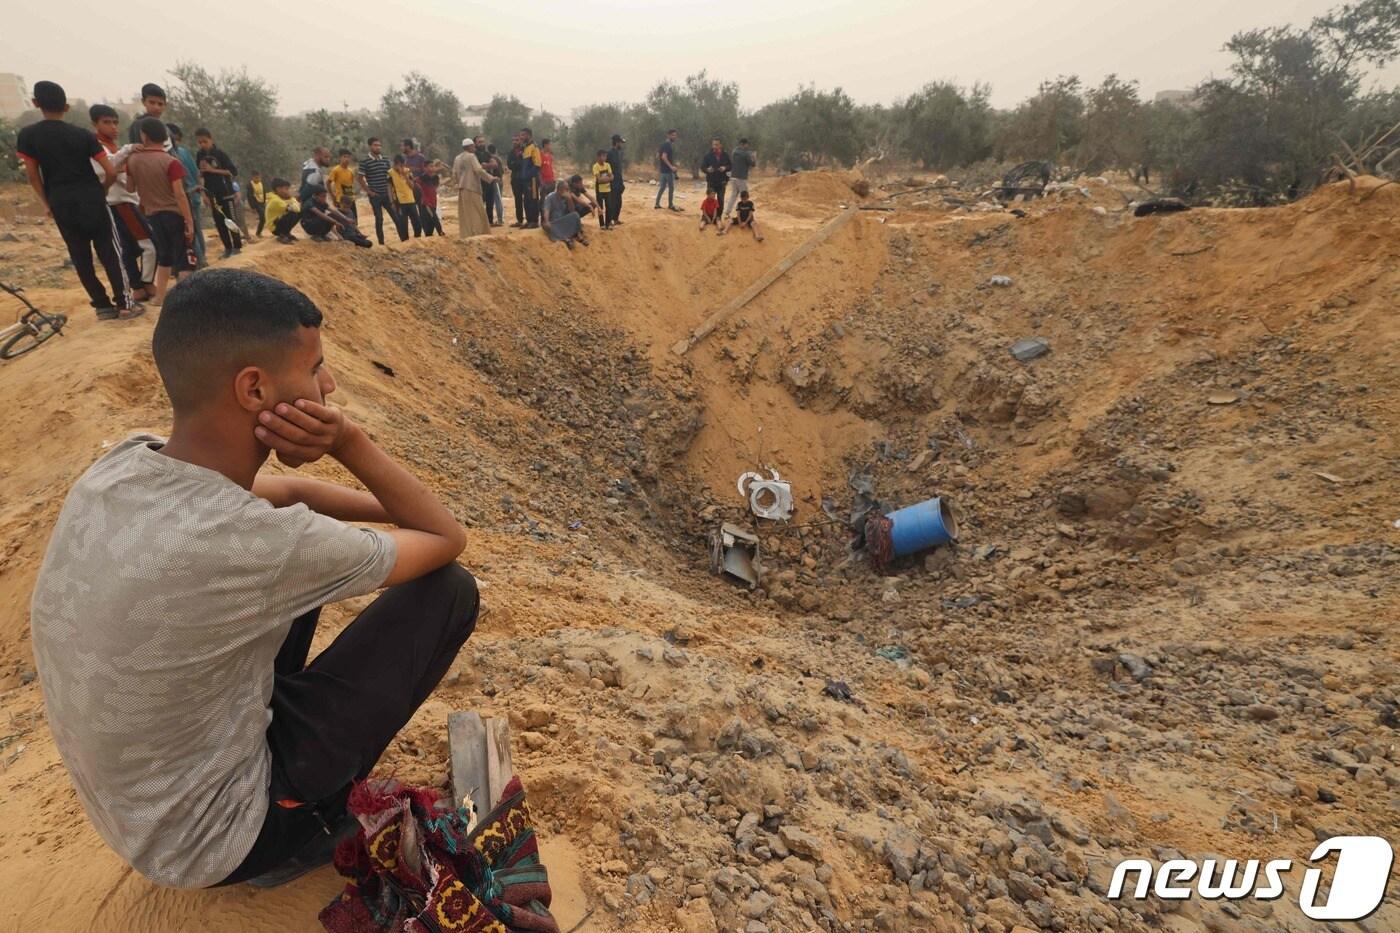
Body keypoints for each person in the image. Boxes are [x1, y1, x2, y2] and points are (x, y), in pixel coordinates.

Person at [30, 266, 476, 890]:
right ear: (255, 389)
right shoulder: (251, 543)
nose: (330, 383)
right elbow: (446, 540)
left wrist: (398, 505)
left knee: (298, 549)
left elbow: (290, 491)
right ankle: (308, 821)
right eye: (316, 366)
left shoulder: (127, 463)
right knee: (449, 590)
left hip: (137, 815)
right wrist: (348, 441)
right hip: (221, 843)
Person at [16, 81, 140, 320]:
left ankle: (102, 306)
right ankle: (125, 304)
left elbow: (33, 176)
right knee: (110, 252)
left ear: (36, 103)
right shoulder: (82, 135)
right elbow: (111, 171)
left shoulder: (28, 136)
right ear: (66, 107)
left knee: (80, 256)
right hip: (92, 198)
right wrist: (100, 191)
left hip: (61, 201)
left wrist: (47, 203)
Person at [90, 104, 156, 303]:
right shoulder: (97, 147)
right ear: (95, 124)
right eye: (107, 122)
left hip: (127, 201)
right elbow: (108, 169)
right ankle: (144, 284)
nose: (113, 127)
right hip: (120, 203)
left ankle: (139, 286)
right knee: (149, 245)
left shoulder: (112, 146)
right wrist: (128, 151)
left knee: (130, 248)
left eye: (115, 122)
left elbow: (118, 169)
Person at [125, 118, 194, 306]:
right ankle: (185, 299)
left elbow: (130, 188)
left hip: (152, 216)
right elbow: (179, 194)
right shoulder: (171, 162)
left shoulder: (133, 161)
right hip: (174, 213)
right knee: (183, 257)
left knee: (164, 255)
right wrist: (189, 221)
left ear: (143, 136)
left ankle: (160, 297)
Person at [194, 128, 244, 259]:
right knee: (219, 222)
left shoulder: (221, 154)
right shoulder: (199, 155)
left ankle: (237, 246)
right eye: (199, 142)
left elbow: (232, 172)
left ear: (211, 139)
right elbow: (200, 175)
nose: (202, 144)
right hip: (211, 194)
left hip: (226, 192)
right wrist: (203, 195)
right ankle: (227, 248)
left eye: (205, 141)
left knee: (230, 220)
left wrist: (213, 170)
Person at [169, 125, 207, 268]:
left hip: (187, 197)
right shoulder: (183, 153)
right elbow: (197, 173)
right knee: (196, 229)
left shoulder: (176, 156)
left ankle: (199, 262)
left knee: (191, 231)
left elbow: (196, 174)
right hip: (192, 195)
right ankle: (201, 260)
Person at [300, 184, 372, 247]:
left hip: (318, 222)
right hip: (309, 224)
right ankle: (316, 235)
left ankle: (322, 235)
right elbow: (321, 215)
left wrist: (346, 218)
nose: (324, 198)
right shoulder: (309, 203)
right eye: (323, 196)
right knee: (327, 217)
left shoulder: (322, 202)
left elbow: (333, 210)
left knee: (332, 216)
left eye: (325, 196)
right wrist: (335, 222)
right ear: (315, 196)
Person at [356, 138, 398, 246]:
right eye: (375, 145)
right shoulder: (365, 161)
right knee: (379, 219)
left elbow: (390, 176)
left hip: (386, 194)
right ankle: (381, 243)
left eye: (379, 145)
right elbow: (360, 178)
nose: (378, 147)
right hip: (375, 195)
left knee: (396, 217)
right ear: (370, 146)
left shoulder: (385, 159)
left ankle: (403, 238)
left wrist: (392, 193)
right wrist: (369, 192)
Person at [450, 138, 493, 239]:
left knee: (466, 214)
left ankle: (466, 234)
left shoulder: (457, 158)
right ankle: (479, 234)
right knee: (477, 212)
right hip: (472, 187)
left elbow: (454, 174)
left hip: (462, 188)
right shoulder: (471, 156)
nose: (475, 148)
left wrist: (458, 183)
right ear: (469, 147)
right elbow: (478, 170)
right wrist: (490, 178)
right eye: (473, 146)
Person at [541, 180, 587, 250]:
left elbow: (572, 211)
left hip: (563, 220)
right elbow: (546, 210)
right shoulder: (550, 197)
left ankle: (577, 235)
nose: (568, 190)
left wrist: (569, 199)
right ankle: (566, 239)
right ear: (560, 190)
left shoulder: (566, 197)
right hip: (555, 222)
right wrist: (547, 221)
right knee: (547, 226)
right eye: (567, 189)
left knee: (575, 215)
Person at [389, 155, 421, 240]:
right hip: (400, 202)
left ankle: (418, 238)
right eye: (399, 165)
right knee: (403, 223)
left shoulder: (408, 171)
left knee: (417, 222)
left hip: (411, 200)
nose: (401, 167)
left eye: (403, 165)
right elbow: (388, 187)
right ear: (395, 164)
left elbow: (412, 186)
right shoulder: (390, 173)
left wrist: (405, 175)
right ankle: (404, 240)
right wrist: (391, 201)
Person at [724, 138, 756, 221]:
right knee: (744, 195)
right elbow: (752, 164)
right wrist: (753, 157)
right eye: (746, 144)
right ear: (743, 144)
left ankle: (727, 212)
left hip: (733, 176)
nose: (747, 146)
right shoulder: (745, 154)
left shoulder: (734, 152)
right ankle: (745, 214)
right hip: (741, 178)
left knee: (733, 194)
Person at [701, 138, 732, 222]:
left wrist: (725, 167)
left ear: (720, 145)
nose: (714, 146)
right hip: (711, 181)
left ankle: (718, 216)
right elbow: (702, 167)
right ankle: (707, 216)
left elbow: (730, 166)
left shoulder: (725, 155)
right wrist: (707, 170)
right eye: (713, 144)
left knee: (721, 199)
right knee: (710, 199)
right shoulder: (708, 155)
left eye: (716, 144)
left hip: (722, 181)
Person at [264, 178, 301, 243]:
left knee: (297, 213)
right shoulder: (275, 200)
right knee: (293, 213)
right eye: (286, 189)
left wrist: (291, 199)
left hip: (278, 222)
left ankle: (286, 233)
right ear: (278, 189)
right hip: (275, 228)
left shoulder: (278, 197)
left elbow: (297, 208)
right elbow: (296, 209)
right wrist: (291, 198)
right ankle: (282, 235)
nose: (288, 191)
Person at [478, 138, 505, 227]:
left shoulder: (489, 156)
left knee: (493, 201)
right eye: (479, 142)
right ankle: (488, 221)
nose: (482, 144)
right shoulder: (474, 155)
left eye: (483, 142)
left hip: (493, 181)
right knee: (488, 201)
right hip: (486, 181)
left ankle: (493, 221)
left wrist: (485, 166)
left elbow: (494, 165)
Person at [518, 128, 541, 228]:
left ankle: (534, 221)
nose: (521, 137)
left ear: (528, 135)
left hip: (532, 179)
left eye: (523, 135)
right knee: (526, 200)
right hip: (525, 180)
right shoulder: (525, 148)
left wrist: (528, 176)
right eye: (520, 135)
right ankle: (529, 220)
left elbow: (537, 164)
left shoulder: (534, 147)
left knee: (533, 199)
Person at [654, 129, 681, 211]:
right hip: (668, 171)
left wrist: (663, 164)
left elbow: (658, 155)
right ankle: (670, 205)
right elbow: (663, 156)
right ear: (668, 135)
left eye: (675, 135)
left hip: (663, 170)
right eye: (673, 135)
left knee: (662, 187)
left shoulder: (662, 145)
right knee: (671, 188)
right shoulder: (667, 145)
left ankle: (657, 204)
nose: (675, 137)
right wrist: (671, 167)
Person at [327, 150, 357, 221]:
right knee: (342, 221)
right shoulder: (336, 170)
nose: (347, 159)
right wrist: (333, 196)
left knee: (354, 219)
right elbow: (328, 183)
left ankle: (354, 232)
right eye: (344, 157)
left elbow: (350, 185)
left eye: (349, 157)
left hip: (351, 199)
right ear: (340, 158)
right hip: (341, 201)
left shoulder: (351, 171)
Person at [418, 159, 446, 237]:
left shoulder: (436, 177)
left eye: (433, 166)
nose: (432, 168)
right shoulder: (422, 178)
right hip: (426, 202)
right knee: (434, 217)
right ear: (425, 168)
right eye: (430, 166)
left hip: (433, 202)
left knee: (430, 224)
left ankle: (431, 236)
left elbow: (435, 187)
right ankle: (440, 232)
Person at [606, 134, 626, 227]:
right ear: (617, 142)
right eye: (621, 143)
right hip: (612, 182)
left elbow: (618, 169)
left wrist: (621, 182)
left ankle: (616, 219)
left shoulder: (617, 153)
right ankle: (609, 221)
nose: (622, 145)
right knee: (612, 202)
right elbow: (606, 168)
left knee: (618, 202)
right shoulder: (609, 153)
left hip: (618, 182)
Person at [590, 150, 613, 230]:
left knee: (609, 207)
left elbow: (612, 177)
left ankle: (608, 224)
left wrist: (605, 179)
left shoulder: (608, 165)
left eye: (605, 156)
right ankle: (602, 224)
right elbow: (599, 180)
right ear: (599, 157)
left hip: (608, 190)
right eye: (603, 156)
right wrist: (608, 178)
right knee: (600, 207)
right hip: (599, 190)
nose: (605, 158)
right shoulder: (595, 166)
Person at [507, 132, 525, 227]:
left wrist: (516, 163)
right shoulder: (511, 152)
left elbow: (524, 164)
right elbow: (509, 165)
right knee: (518, 200)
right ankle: (520, 220)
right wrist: (518, 163)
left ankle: (530, 220)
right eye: (513, 140)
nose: (515, 142)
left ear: (521, 140)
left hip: (525, 179)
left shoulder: (526, 150)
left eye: (517, 140)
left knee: (527, 200)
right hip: (515, 179)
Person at [248, 170, 268, 237]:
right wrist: (252, 207)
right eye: (256, 178)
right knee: (263, 217)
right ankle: (258, 233)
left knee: (265, 217)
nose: (258, 179)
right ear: (252, 177)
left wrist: (265, 201)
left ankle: (259, 232)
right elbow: (249, 196)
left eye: (259, 177)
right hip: (256, 203)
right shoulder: (250, 185)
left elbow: (264, 192)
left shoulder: (261, 183)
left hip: (262, 202)